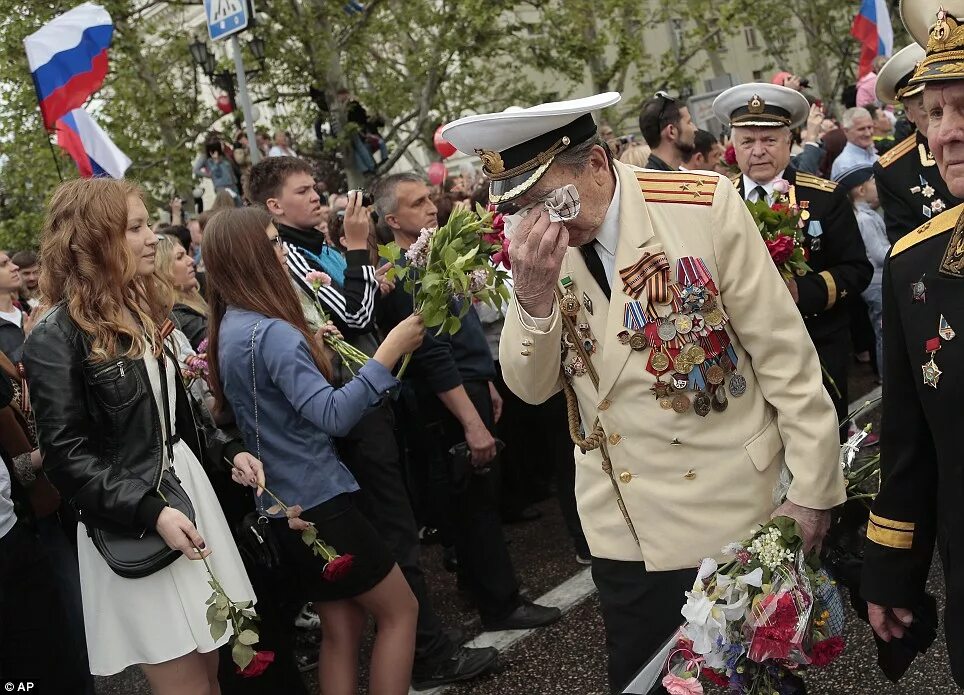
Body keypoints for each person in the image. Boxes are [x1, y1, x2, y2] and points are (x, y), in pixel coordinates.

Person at [442, 91, 844, 693]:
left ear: (597, 165)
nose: (539, 223)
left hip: (729, 510)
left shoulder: (702, 207)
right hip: (625, 528)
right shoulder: (537, 251)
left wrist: (812, 492)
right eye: (522, 208)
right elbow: (529, 390)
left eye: (550, 199)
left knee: (754, 682)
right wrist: (531, 299)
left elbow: (785, 356)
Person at [249, 158, 501, 687]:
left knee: (392, 537)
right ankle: (429, 656)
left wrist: (367, 273)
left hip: (371, 403)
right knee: (391, 537)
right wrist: (360, 250)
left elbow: (354, 305)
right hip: (350, 415)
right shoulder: (292, 255)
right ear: (273, 207)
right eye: (303, 190)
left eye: (316, 186)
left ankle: (426, 647)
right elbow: (356, 318)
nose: (317, 196)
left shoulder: (313, 247)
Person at [22, 178, 263, 693]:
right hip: (134, 514)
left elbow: (176, 419)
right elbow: (65, 457)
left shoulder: (143, 310)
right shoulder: (54, 335)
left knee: (212, 669)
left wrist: (229, 452)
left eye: (148, 223)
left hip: (185, 494)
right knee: (183, 680)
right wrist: (150, 509)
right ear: (93, 240)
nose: (153, 236)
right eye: (136, 227)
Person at [204, 206, 423, 694]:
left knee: (342, 630)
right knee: (400, 610)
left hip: (283, 506)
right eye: (273, 243)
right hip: (320, 500)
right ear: (251, 256)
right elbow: (334, 414)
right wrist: (388, 350)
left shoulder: (232, 327)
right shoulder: (272, 331)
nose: (283, 251)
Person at [373, 172, 562, 633]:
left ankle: (486, 591)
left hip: (471, 385)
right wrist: (472, 422)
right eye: (416, 204)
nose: (431, 207)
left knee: (481, 501)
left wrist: (487, 383)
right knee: (474, 506)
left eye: (428, 198)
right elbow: (433, 355)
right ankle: (499, 604)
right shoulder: (403, 269)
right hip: (449, 403)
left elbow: (462, 333)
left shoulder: (434, 254)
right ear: (393, 220)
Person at [862, 4, 964, 687]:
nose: (948, 134)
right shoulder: (912, 265)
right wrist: (893, 570)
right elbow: (908, 436)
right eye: (935, 112)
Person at [715, 83, 873, 437]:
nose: (758, 151)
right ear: (734, 147)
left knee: (823, 441)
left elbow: (857, 270)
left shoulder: (825, 198)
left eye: (769, 140)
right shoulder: (716, 202)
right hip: (745, 354)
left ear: (789, 141)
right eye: (747, 142)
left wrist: (803, 290)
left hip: (816, 343)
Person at [873, 42, 963, 245]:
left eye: (960, 106)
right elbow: (906, 252)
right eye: (933, 109)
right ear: (908, 113)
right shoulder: (893, 170)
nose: (947, 130)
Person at [834, 165, 889, 379]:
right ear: (861, 190)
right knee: (884, 332)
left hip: (875, 283)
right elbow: (879, 254)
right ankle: (887, 379)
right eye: (873, 182)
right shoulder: (864, 219)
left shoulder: (864, 215)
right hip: (877, 283)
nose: (877, 186)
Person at [155, 234, 207, 350]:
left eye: (186, 254)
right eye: (179, 257)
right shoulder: (177, 316)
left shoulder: (193, 300)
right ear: (162, 269)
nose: (191, 261)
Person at [637, 91, 697, 171]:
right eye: (689, 122)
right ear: (671, 131)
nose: (695, 129)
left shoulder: (648, 179)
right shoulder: (654, 181)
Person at [831, 107, 880, 178]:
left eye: (869, 127)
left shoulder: (876, 157)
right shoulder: (844, 165)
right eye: (861, 129)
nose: (868, 133)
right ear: (846, 131)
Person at [0, 252, 31, 362]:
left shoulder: (29, 310)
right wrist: (30, 340)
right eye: (4, 264)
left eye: (10, 262)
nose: (15, 267)